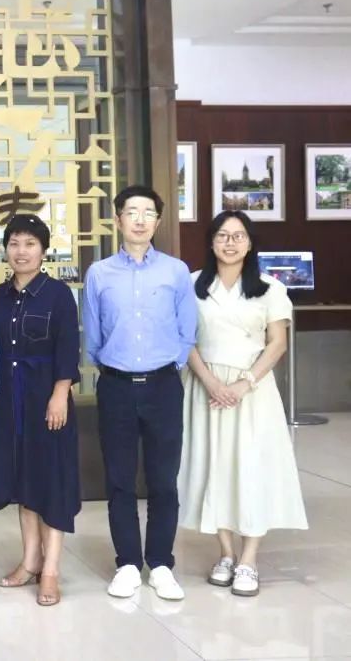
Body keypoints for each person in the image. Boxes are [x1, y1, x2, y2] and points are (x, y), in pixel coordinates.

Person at [178, 211, 307, 597]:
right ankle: (226, 553)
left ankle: (249, 559)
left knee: (251, 468)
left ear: (250, 243)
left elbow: (277, 343)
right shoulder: (191, 285)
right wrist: (212, 383)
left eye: (238, 236)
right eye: (222, 235)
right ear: (211, 242)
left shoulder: (270, 288)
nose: (230, 243)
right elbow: (186, 340)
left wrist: (243, 383)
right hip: (205, 387)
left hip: (253, 391)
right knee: (211, 465)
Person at [84, 184, 197, 601]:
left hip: (163, 386)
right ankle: (128, 563)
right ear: (118, 220)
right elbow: (92, 336)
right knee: (119, 480)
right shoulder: (99, 273)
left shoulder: (176, 271)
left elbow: (187, 331)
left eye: (148, 212)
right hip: (115, 386)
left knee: (164, 480)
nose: (140, 219)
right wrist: (113, 367)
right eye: (131, 212)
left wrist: (169, 366)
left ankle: (162, 563)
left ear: (158, 221)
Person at [0, 214, 81, 607]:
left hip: (47, 400)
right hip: (9, 400)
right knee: (23, 482)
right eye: (14, 243)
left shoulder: (58, 295)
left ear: (43, 250)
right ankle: (29, 562)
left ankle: (51, 570)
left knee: (51, 483)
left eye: (29, 244)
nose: (21, 251)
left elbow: (68, 348)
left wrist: (60, 394)